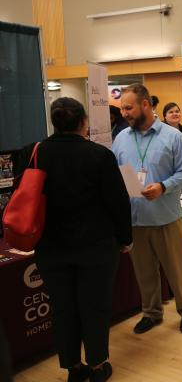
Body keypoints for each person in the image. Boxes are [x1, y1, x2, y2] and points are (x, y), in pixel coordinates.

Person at [36, 97, 132, 382]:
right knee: (95, 306)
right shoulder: (99, 155)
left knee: (62, 308)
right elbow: (118, 202)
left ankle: (72, 368)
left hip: (51, 247)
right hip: (96, 246)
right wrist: (125, 238)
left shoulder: (36, 152)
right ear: (83, 123)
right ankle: (98, 364)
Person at [112, 84, 182, 335]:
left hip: (166, 217)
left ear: (146, 105)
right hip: (135, 220)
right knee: (144, 272)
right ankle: (151, 313)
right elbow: (117, 174)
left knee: (177, 269)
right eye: (122, 108)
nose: (124, 113)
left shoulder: (172, 137)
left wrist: (162, 186)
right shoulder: (121, 139)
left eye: (129, 107)